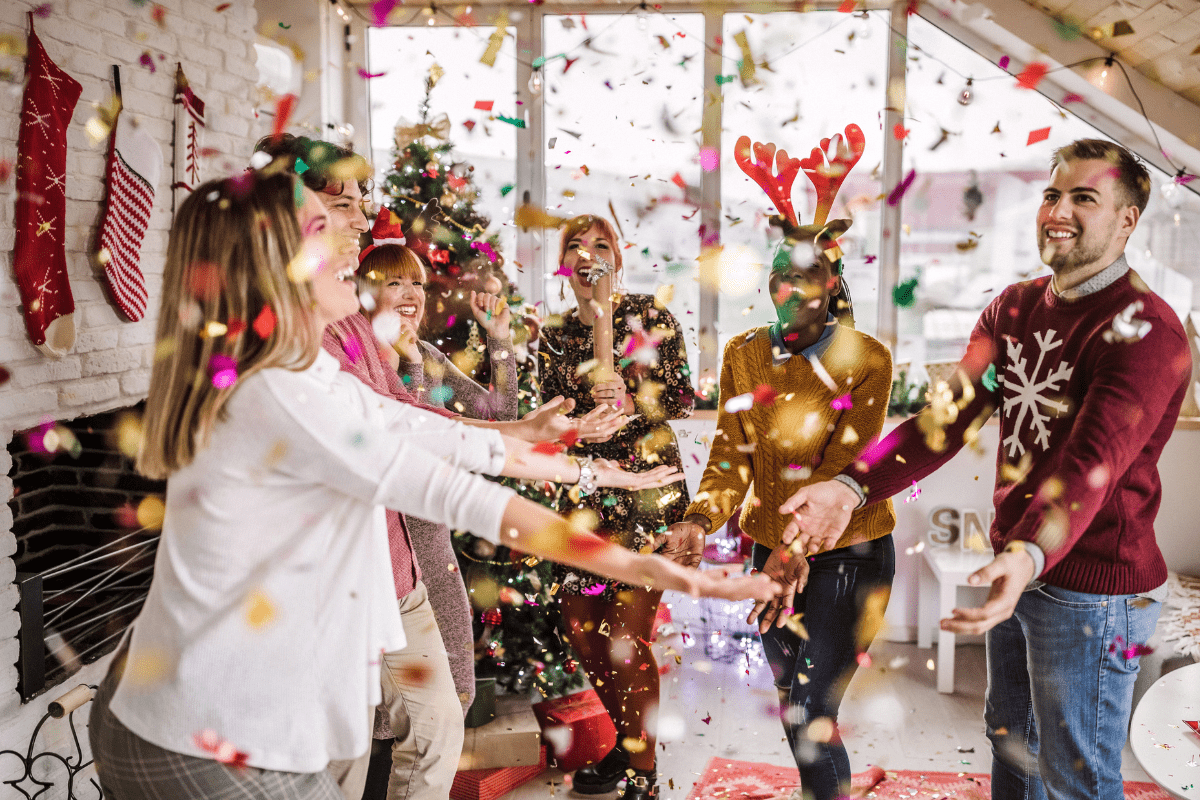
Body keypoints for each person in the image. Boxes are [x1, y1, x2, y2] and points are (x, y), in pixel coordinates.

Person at [86, 169, 777, 800]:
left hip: (211, 717)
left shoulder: (298, 372)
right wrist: (649, 565)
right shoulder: (279, 391)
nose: (356, 233)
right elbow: (455, 491)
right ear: (277, 262)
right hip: (208, 739)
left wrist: (582, 461)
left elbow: (435, 433)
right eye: (325, 223)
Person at [780, 139, 1191, 800]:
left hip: (1095, 592)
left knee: (1073, 777)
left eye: (1084, 197)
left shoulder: (1146, 328)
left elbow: (1096, 461)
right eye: (1053, 193)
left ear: (1126, 220)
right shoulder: (1014, 308)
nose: (1058, 209)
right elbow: (945, 418)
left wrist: (1028, 552)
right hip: (1017, 571)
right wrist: (849, 485)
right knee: (1010, 738)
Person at [252, 135, 645, 800]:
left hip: (414, 554)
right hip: (348, 573)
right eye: (393, 281)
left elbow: (481, 413)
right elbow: (394, 436)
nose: (409, 294)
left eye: (418, 284)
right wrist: (560, 460)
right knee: (356, 743)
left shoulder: (420, 351)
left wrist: (511, 376)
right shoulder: (315, 338)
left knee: (438, 714)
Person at [658, 134, 896, 799]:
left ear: (832, 282)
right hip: (768, 554)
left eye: (808, 274)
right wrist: (700, 519)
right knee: (797, 704)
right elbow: (733, 453)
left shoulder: (867, 358)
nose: (792, 288)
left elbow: (844, 467)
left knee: (811, 709)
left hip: (847, 552)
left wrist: (795, 547)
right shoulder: (742, 353)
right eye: (781, 275)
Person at [537, 214, 695, 800]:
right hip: (585, 493)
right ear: (563, 266)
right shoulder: (554, 333)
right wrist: (578, 428)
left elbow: (682, 395)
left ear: (618, 259)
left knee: (626, 635)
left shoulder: (647, 315)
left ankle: (643, 772)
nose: (588, 255)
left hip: (649, 493)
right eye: (574, 247)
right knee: (582, 632)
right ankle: (627, 748)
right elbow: (546, 416)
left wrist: (635, 394)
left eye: (600, 245)